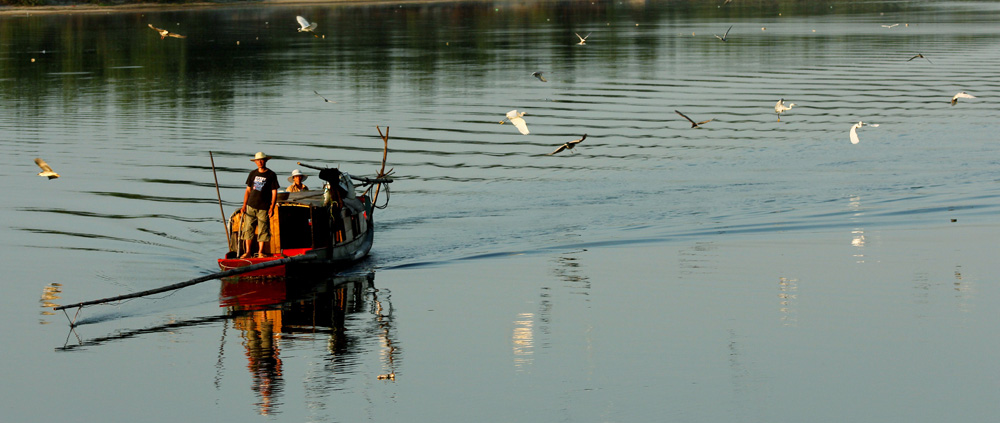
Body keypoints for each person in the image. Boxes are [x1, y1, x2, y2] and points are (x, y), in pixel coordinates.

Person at [240, 152, 280, 258]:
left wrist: (272, 207)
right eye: (258, 160)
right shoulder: (252, 173)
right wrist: (244, 205)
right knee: (248, 228)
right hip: (251, 205)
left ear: (266, 161)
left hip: (264, 207)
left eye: (262, 160)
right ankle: (248, 252)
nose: (260, 162)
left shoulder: (271, 174)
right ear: (255, 162)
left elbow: (274, 192)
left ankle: (261, 252)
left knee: (263, 229)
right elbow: (248, 190)